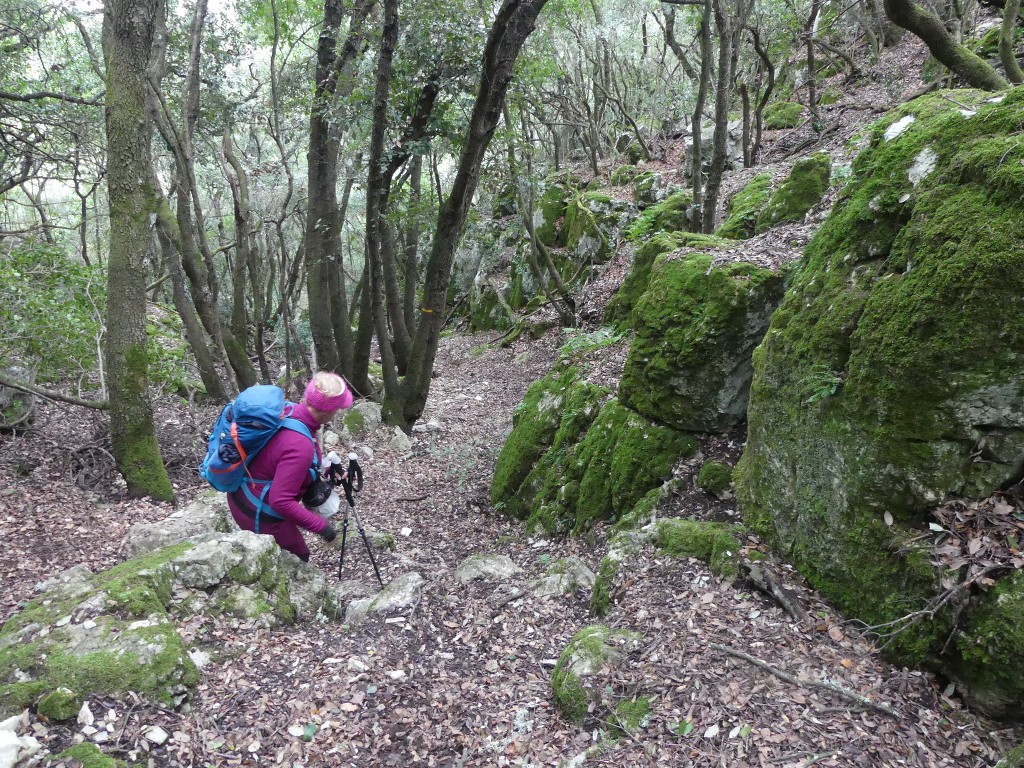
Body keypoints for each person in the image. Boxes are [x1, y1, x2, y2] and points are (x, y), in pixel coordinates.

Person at [227, 371, 353, 561]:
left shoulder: (290, 412)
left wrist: (327, 471)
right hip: (256, 508)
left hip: (244, 493)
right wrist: (322, 527)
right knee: (299, 555)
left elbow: (284, 461)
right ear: (328, 411)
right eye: (337, 409)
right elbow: (281, 501)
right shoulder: (299, 443)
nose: (337, 413)